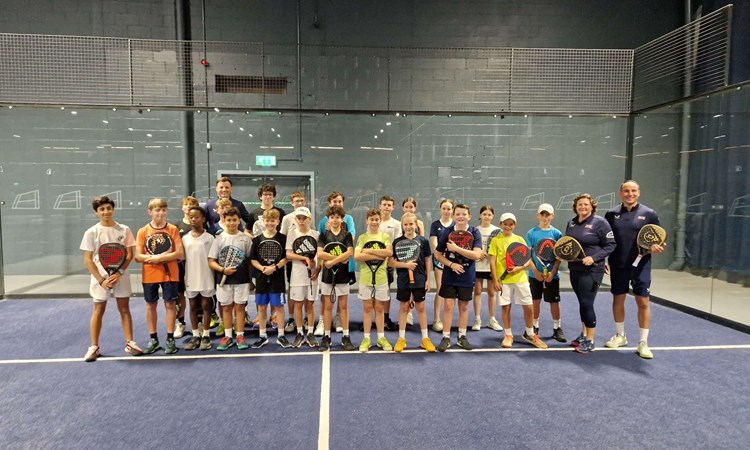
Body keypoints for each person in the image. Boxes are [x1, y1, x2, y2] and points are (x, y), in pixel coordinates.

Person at [604, 180, 664, 359]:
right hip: (618, 264)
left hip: (641, 265)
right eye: (626, 191)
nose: (630, 194)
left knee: (643, 302)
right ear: (620, 193)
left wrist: (656, 247)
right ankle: (620, 336)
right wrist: (604, 260)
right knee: (618, 300)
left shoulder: (649, 214)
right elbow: (607, 240)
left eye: (633, 191)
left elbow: (659, 239)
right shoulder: (611, 214)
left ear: (638, 193)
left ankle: (643, 342)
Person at [80, 196, 142, 362]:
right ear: (96, 213)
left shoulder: (124, 229)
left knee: (124, 308)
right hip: (100, 278)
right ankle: (94, 347)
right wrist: (101, 280)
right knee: (98, 310)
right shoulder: (91, 232)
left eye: (108, 208)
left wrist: (119, 272)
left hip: (120, 276)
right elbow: (87, 259)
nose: (106, 212)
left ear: (113, 209)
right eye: (102, 209)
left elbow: (129, 254)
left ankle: (130, 343)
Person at [564, 193, 616, 354]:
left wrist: (594, 258)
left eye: (586, 204)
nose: (583, 207)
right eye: (580, 204)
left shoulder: (600, 223)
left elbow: (611, 245)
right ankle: (584, 334)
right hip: (575, 269)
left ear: (592, 206)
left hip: (592, 271)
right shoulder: (572, 223)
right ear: (575, 207)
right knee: (582, 303)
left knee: (587, 303)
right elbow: (569, 244)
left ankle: (590, 340)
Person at [489, 213, 547, 349]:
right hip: (504, 281)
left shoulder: (520, 239)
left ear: (514, 225)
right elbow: (492, 262)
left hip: (520, 278)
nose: (508, 226)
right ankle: (508, 335)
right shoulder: (496, 241)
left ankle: (530, 334)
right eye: (505, 224)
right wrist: (495, 280)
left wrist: (518, 268)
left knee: (528, 306)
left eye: (511, 224)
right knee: (506, 307)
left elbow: (528, 260)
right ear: (500, 225)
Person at [135, 198, 184, 355]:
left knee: (170, 305)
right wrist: (155, 258)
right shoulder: (143, 231)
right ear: (150, 212)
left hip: (170, 274)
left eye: (163, 210)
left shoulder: (172, 230)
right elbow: (138, 256)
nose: (161, 213)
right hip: (150, 274)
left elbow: (179, 253)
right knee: (151, 306)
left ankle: (170, 338)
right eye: (157, 210)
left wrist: (160, 258)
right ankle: (153, 339)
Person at [433, 203, 482, 351]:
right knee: (448, 305)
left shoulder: (474, 232)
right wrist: (451, 264)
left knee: (464, 306)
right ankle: (446, 337)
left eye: (464, 214)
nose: (461, 217)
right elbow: (438, 254)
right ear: (454, 216)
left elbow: (477, 254)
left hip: (467, 275)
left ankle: (462, 336)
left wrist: (456, 248)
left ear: (469, 216)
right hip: (449, 275)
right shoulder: (446, 232)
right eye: (458, 214)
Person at [207, 207, 253, 351]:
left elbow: (250, 260)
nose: (232, 223)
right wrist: (222, 270)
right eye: (229, 220)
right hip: (223, 279)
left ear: (239, 220)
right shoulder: (219, 239)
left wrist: (251, 279)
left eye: (234, 220)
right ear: (224, 221)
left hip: (242, 279)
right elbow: (211, 261)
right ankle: (228, 336)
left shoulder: (245, 239)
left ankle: (240, 335)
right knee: (226, 308)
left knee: (239, 307)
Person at [389, 212, 435, 352]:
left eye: (411, 224)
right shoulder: (397, 242)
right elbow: (390, 262)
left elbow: (427, 260)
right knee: (403, 308)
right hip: (403, 280)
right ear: (402, 226)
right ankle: (401, 339)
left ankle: (425, 339)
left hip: (420, 279)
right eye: (405, 224)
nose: (408, 227)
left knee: (421, 308)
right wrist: (406, 266)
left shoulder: (424, 241)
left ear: (416, 224)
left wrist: (427, 279)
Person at [316, 191, 357, 335]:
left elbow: (349, 244)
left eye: (340, 201)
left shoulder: (349, 221)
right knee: (326, 299)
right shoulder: (322, 224)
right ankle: (323, 322)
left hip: (344, 266)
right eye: (334, 201)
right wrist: (329, 261)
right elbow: (321, 248)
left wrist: (335, 260)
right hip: (327, 267)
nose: (337, 204)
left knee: (342, 300)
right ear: (329, 203)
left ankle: (339, 320)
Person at [525, 203, 566, 342]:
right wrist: (535, 271)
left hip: (552, 276)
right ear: (538, 215)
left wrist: (552, 272)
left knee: (554, 302)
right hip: (534, 275)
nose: (544, 217)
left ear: (552, 216)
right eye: (542, 214)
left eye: (547, 214)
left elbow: (559, 256)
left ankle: (557, 328)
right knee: (535, 301)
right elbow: (528, 255)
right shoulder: (531, 233)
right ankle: (535, 327)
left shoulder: (557, 233)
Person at [250, 208, 290, 348]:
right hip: (261, 278)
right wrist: (262, 269)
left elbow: (286, 258)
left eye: (273, 221)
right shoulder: (256, 240)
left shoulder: (283, 239)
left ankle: (281, 335)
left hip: (277, 278)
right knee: (261, 307)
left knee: (278, 307)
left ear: (278, 222)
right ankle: (262, 336)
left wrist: (275, 267)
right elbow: (253, 260)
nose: (270, 223)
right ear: (263, 221)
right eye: (267, 221)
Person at [355, 208, 394, 352]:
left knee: (379, 308)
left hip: (381, 278)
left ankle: (381, 338)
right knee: (367, 309)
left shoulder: (384, 236)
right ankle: (366, 338)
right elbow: (357, 256)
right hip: (365, 279)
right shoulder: (362, 238)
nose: (374, 222)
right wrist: (379, 255)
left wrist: (369, 251)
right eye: (371, 219)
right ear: (367, 221)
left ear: (380, 220)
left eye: (377, 219)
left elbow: (389, 252)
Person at [284, 206, 321, 348]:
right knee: (298, 304)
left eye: (304, 218)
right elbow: (288, 254)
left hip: (312, 276)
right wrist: (304, 258)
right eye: (298, 218)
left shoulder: (316, 234)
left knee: (310, 304)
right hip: (297, 276)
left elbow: (320, 255)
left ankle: (310, 332)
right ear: (295, 219)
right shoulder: (291, 234)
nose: (301, 220)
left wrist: (317, 269)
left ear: (309, 220)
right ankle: (300, 332)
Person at [181, 206, 215, 351]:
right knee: (193, 307)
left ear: (203, 219)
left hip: (207, 278)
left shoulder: (210, 238)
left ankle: (206, 335)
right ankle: (195, 335)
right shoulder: (184, 239)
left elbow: (213, 259)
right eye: (191, 217)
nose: (193, 219)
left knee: (207, 307)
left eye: (197, 217)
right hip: (190, 278)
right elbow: (182, 260)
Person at [281, 191, 309, 333]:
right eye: (296, 201)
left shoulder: (308, 217)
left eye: (302, 200)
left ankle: (305, 318)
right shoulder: (286, 219)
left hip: (307, 262)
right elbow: (284, 239)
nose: (299, 203)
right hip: (292, 262)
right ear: (292, 203)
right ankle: (291, 318)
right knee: (293, 290)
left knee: (306, 290)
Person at [172, 195, 199, 339]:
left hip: (196, 266)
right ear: (182, 207)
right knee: (180, 295)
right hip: (181, 267)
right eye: (186, 205)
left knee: (198, 296)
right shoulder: (176, 226)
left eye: (192, 205)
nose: (188, 207)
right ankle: (181, 323)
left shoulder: (200, 224)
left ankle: (199, 323)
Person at [473, 205, 502, 331]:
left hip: (491, 266)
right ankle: (477, 319)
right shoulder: (474, 230)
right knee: (477, 291)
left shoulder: (497, 231)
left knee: (491, 292)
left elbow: (500, 248)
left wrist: (491, 255)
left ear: (493, 216)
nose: (486, 216)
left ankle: (492, 319)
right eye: (484, 214)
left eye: (489, 214)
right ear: (480, 215)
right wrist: (478, 254)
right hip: (477, 265)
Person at [429, 198, 454, 332]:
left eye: (449, 208)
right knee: (440, 288)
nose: (446, 211)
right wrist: (440, 255)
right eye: (444, 208)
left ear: (452, 210)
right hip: (439, 260)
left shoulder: (456, 225)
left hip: (453, 261)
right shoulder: (435, 225)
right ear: (440, 209)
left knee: (450, 290)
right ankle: (436, 319)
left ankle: (447, 319)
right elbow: (434, 243)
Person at [378, 195, 401, 331]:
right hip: (373, 263)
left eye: (389, 205)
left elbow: (397, 243)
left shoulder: (396, 224)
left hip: (388, 263)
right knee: (373, 291)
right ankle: (375, 318)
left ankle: (386, 318)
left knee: (386, 290)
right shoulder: (375, 221)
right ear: (380, 206)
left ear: (393, 207)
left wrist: (388, 257)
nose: (386, 207)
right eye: (384, 204)